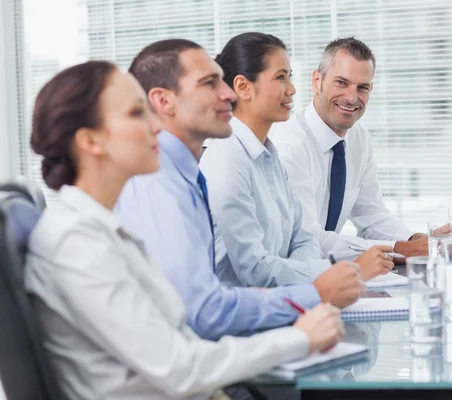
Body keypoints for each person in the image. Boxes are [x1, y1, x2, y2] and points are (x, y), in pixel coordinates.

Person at [25, 60, 344, 400]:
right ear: (91, 141)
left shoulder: (104, 228)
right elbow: (178, 368)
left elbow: (178, 337)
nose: (157, 127)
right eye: (137, 114)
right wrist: (299, 338)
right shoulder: (76, 241)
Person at [115, 39, 363, 340]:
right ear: (164, 101)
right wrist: (313, 291)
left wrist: (304, 288)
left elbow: (303, 236)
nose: (226, 93)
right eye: (210, 83)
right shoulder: (164, 183)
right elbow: (207, 312)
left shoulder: (197, 171)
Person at [200, 32, 394, 289]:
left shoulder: (269, 156)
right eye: (281, 77)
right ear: (243, 87)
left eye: (289, 77)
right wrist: (348, 271)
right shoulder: (227, 160)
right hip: (246, 316)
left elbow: (303, 239)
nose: (292, 89)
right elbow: (255, 270)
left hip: (284, 301)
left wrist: (312, 276)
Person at [270, 37, 452, 262]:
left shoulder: (359, 139)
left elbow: (372, 217)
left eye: (362, 88)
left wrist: (420, 240)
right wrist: (403, 249)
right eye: (341, 82)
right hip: (287, 277)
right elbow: (309, 239)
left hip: (329, 276)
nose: (351, 97)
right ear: (317, 81)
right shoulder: (289, 146)